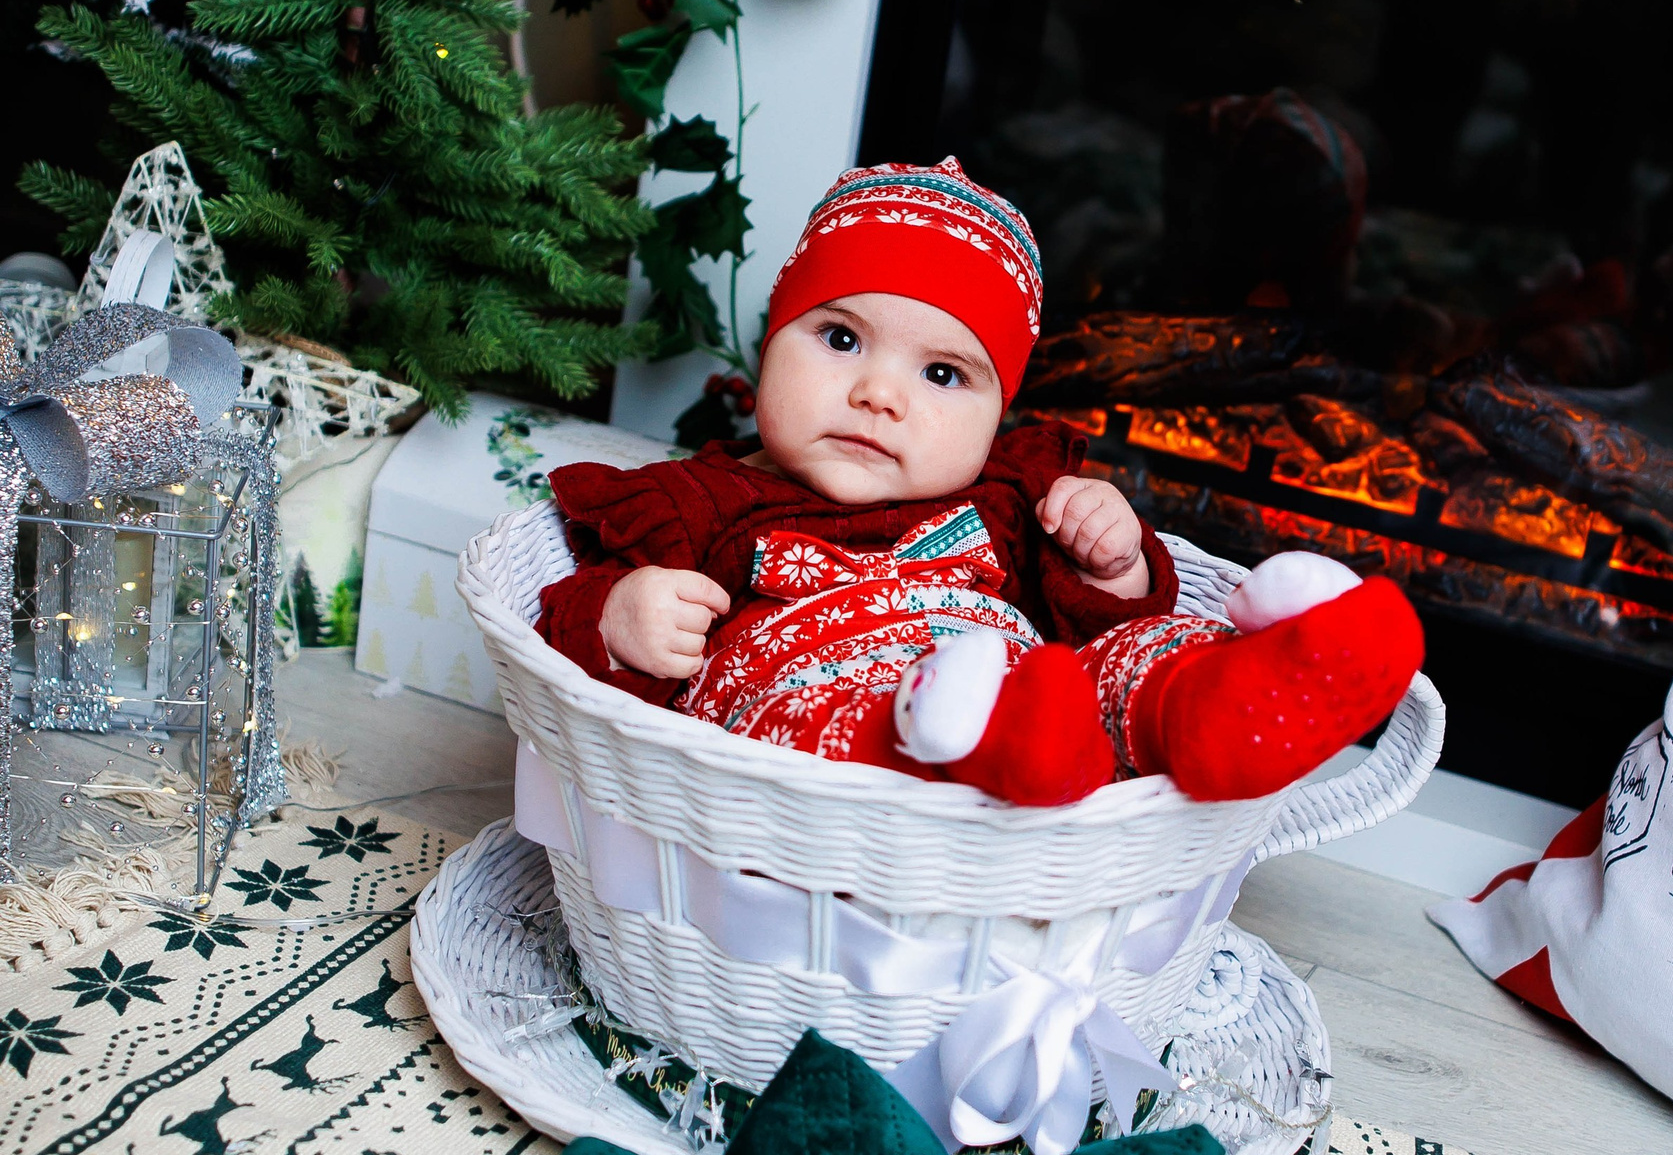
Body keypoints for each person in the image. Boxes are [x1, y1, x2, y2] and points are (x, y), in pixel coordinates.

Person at [536, 159, 1422, 806]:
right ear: (772, 339)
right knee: (794, 719)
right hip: (832, 745)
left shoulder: (1008, 494)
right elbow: (572, 632)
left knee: (1124, 660)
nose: (878, 394)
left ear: (998, 414)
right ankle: (964, 745)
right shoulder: (697, 501)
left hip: (1024, 699)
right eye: (840, 339)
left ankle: (1217, 702)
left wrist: (1114, 564)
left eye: (943, 374)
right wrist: (620, 622)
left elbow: (1092, 628)